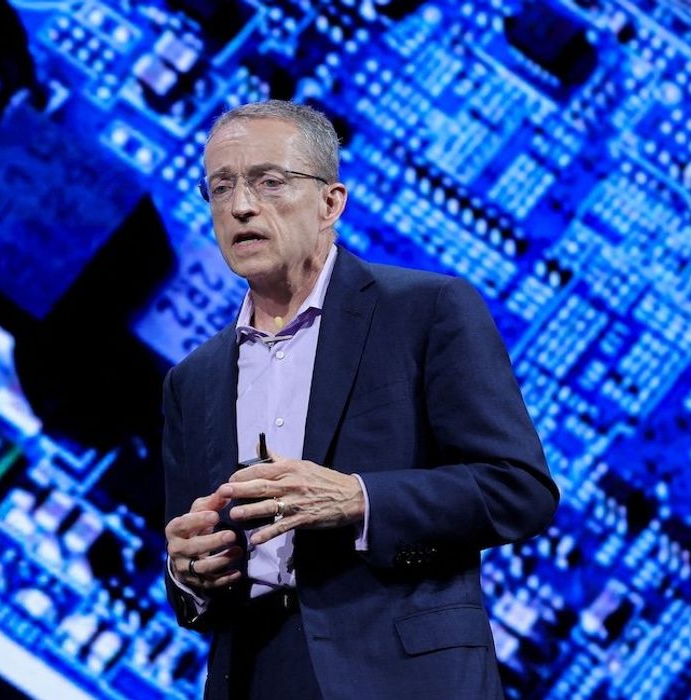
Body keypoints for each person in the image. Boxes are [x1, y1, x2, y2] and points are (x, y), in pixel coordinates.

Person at [161, 100, 559, 700]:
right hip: (254, 676)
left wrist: (359, 499)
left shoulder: (426, 311)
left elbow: (518, 489)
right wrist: (188, 573)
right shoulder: (191, 381)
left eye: (270, 181)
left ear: (331, 202)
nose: (241, 205)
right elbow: (194, 572)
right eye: (221, 188)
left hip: (403, 675)